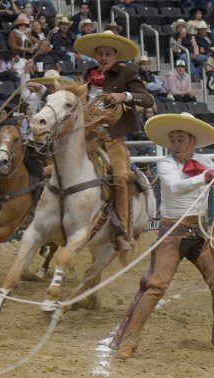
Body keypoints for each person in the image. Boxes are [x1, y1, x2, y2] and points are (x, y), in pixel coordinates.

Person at [113, 112, 214, 359]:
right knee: (156, 285)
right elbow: (174, 187)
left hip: (200, 233)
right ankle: (130, 339)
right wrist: (205, 178)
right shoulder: (167, 164)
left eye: (180, 139)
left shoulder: (207, 162)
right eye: (172, 140)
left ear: (192, 140)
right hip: (172, 233)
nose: (175, 145)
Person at [75, 31, 154, 251]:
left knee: (120, 177)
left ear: (115, 55)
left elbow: (148, 99)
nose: (103, 57)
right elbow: (70, 97)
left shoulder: (127, 74)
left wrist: (125, 96)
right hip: (85, 138)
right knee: (53, 165)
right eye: (99, 53)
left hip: (112, 139)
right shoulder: (87, 74)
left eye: (107, 53)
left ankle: (122, 231)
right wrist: (44, 89)